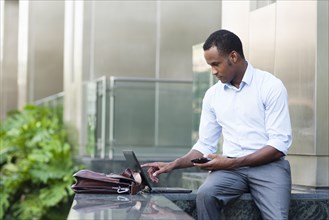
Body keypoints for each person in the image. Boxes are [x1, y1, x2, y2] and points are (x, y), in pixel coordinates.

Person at [142, 29, 292, 220]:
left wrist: (232, 162)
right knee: (205, 195)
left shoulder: (270, 86)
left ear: (233, 57)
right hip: (230, 171)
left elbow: (279, 145)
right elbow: (205, 145)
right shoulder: (213, 95)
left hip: (269, 166)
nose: (213, 71)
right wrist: (173, 164)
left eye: (216, 64)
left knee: (278, 217)